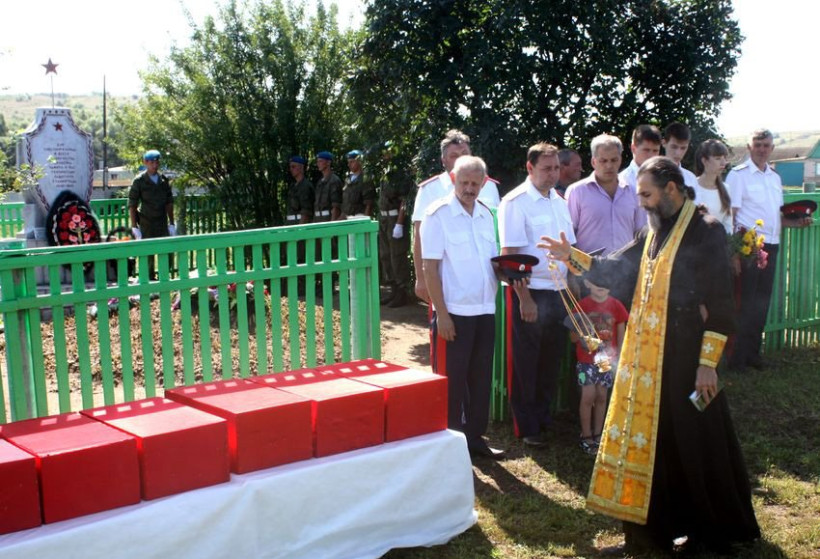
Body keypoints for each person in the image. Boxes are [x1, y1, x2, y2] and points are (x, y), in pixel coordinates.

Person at [541, 156, 760, 555]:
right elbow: (616, 268)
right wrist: (571, 254)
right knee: (652, 445)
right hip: (646, 361)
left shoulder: (706, 231)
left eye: (646, 194)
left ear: (671, 190)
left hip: (687, 358)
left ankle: (704, 532)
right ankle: (649, 534)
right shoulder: (652, 230)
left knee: (692, 441)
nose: (640, 202)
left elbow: (721, 304)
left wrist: (707, 366)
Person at [421, 155, 504, 460]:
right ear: (454, 180)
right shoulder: (437, 214)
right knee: (452, 382)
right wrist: (441, 315)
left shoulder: (485, 214)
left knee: (480, 379)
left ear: (484, 183)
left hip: (484, 309)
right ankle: (452, 446)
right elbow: (430, 269)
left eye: (475, 183)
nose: (470, 188)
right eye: (465, 182)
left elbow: (490, 262)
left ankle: (475, 439)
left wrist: (509, 273)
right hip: (454, 313)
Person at [498, 142, 575, 448]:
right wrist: (525, 299)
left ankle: (543, 418)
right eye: (546, 168)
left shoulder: (559, 201)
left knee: (550, 359)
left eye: (556, 168)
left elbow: (568, 249)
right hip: (530, 292)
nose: (553, 174)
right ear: (530, 168)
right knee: (526, 362)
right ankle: (527, 425)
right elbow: (510, 258)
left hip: (558, 291)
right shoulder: (515, 202)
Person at [725, 129, 813, 372]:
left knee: (762, 303)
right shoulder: (738, 175)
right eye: (758, 144)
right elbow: (730, 215)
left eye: (766, 145)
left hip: (771, 246)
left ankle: (753, 354)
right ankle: (736, 359)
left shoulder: (774, 177)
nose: (762, 149)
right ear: (749, 147)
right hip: (748, 248)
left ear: (772, 148)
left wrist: (796, 223)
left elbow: (776, 217)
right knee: (745, 303)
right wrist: (733, 253)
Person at [411, 129, 500, 303]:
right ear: (443, 160)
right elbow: (419, 236)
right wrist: (420, 278)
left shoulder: (488, 186)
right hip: (445, 282)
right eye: (454, 156)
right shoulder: (430, 189)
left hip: (485, 283)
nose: (460, 159)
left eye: (464, 153)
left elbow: (496, 232)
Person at [568, 267, 627, 456]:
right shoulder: (582, 305)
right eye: (597, 280)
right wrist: (583, 335)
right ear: (587, 283)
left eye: (606, 280)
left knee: (602, 396)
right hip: (586, 361)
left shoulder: (617, 305)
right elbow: (572, 337)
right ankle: (586, 436)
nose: (602, 285)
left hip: (606, 360)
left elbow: (622, 334)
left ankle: (598, 434)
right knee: (588, 397)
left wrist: (620, 356)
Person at [565, 134, 643, 257]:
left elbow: (641, 234)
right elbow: (568, 235)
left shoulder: (633, 192)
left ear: (620, 160)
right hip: (588, 266)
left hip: (626, 266)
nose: (609, 166)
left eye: (614, 160)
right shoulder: (577, 192)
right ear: (593, 162)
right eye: (603, 161)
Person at [377, 143, 413, 308]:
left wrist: (399, 223)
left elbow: (404, 200)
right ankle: (393, 290)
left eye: (389, 152)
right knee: (385, 255)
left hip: (394, 219)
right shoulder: (385, 173)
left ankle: (402, 292)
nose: (385, 155)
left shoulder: (400, 174)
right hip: (384, 219)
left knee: (397, 256)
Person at [129, 149, 174, 239]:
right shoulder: (139, 181)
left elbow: (169, 202)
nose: (155, 166)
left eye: (157, 163)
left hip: (162, 223)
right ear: (145, 162)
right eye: (152, 163)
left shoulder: (163, 180)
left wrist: (172, 223)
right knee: (147, 247)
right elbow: (132, 204)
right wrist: (134, 226)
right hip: (146, 224)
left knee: (165, 247)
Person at [693, 139, 733, 233]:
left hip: (718, 241)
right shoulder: (692, 186)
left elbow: (728, 225)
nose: (723, 163)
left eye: (724, 158)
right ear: (704, 161)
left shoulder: (726, 188)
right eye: (718, 158)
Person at [619, 124, 662, 194]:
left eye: (655, 151)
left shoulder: (664, 179)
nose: (651, 155)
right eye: (646, 150)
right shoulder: (622, 182)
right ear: (633, 149)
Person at [340, 150, 376, 219]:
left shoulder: (365, 179)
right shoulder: (348, 179)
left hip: (359, 218)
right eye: (348, 162)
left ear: (359, 162)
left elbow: (369, 204)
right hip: (346, 218)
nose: (349, 165)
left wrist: (365, 221)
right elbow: (345, 203)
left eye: (352, 162)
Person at [662, 122, 698, 188]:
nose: (678, 153)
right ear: (664, 143)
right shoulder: (651, 174)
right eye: (674, 147)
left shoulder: (691, 179)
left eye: (683, 148)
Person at [314, 151, 343, 222]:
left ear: (328, 163)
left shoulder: (334, 181)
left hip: (328, 219)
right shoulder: (320, 182)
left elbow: (336, 206)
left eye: (321, 161)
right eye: (317, 162)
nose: (318, 164)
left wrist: (333, 224)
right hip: (318, 220)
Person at [286, 155, 314, 225]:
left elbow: (306, 211)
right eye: (290, 167)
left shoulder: (305, 186)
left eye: (293, 167)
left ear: (301, 167)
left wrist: (300, 227)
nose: (291, 169)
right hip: (291, 223)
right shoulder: (293, 186)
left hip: (300, 223)